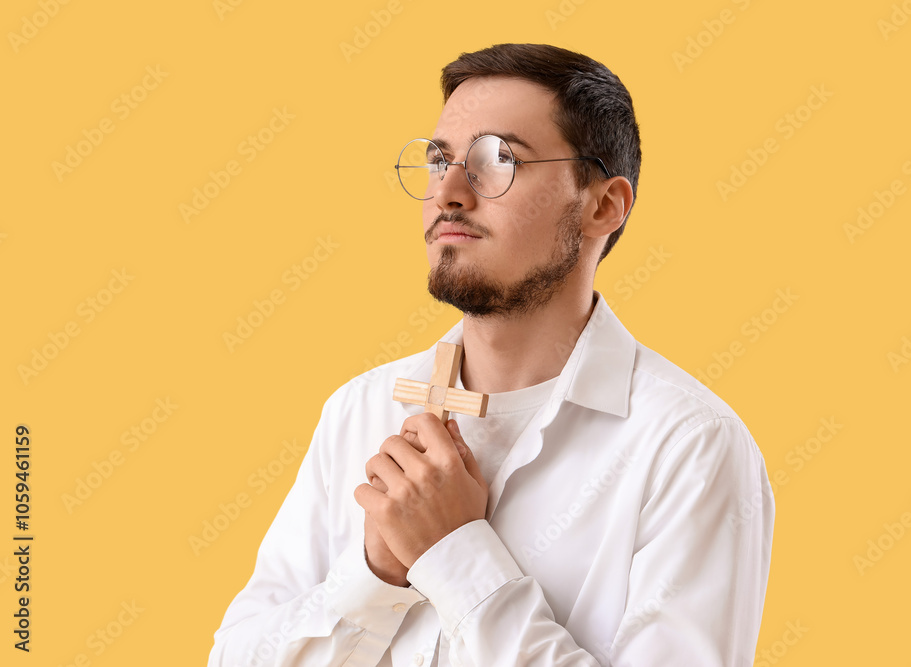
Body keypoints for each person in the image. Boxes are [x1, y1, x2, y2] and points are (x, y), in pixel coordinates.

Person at [208, 43, 774, 667]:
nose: (449, 191)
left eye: (499, 160)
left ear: (604, 205)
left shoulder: (688, 446)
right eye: (438, 159)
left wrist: (452, 555)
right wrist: (375, 574)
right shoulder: (357, 410)